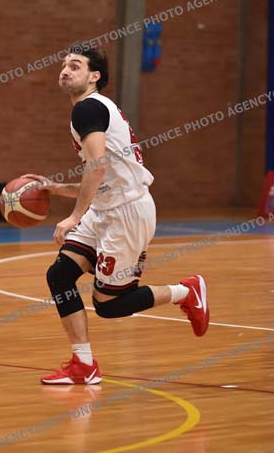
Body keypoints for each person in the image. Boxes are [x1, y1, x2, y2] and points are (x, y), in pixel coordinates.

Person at [24, 46, 208, 386]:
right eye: (64, 65)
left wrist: (74, 216)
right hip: (106, 208)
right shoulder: (91, 109)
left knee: (109, 305)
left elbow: (97, 167)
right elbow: (101, 177)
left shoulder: (88, 108)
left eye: (75, 66)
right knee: (60, 276)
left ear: (95, 76)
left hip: (126, 213)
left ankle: (185, 291)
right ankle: (84, 365)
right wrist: (56, 188)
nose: (65, 70)